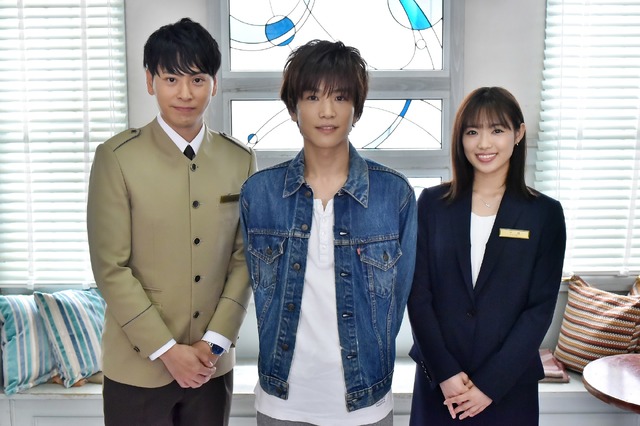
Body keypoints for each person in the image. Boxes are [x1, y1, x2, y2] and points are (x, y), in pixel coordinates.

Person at [87, 17, 257, 426]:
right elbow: (111, 268)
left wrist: (213, 344)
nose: (185, 93)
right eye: (171, 79)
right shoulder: (117, 158)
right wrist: (166, 350)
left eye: (197, 79)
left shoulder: (240, 159)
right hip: (136, 369)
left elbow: (245, 259)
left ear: (213, 84)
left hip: (211, 367)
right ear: (150, 81)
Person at [239, 39, 417, 425]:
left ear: (357, 109)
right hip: (281, 404)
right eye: (312, 96)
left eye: (339, 97)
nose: (326, 111)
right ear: (293, 108)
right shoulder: (259, 193)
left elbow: (403, 297)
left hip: (366, 405)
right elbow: (250, 284)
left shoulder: (394, 194)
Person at [407, 86, 566, 425]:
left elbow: (539, 310)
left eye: (496, 130)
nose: (483, 143)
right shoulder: (432, 205)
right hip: (441, 386)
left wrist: (489, 386)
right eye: (472, 132)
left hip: (509, 388)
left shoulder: (544, 214)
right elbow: (418, 295)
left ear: (518, 134)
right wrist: (446, 374)